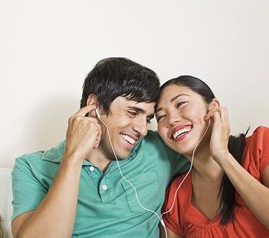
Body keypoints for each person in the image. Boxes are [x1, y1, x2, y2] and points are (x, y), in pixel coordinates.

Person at [11, 57, 189, 238]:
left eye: (148, 119)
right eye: (133, 112)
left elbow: (208, 156)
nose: (143, 130)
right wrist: (74, 156)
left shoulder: (159, 148)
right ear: (95, 106)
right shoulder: (31, 167)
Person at [155, 75, 269, 238]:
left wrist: (223, 156)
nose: (171, 120)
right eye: (161, 116)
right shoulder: (176, 195)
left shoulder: (263, 144)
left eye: (181, 104)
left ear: (213, 107)